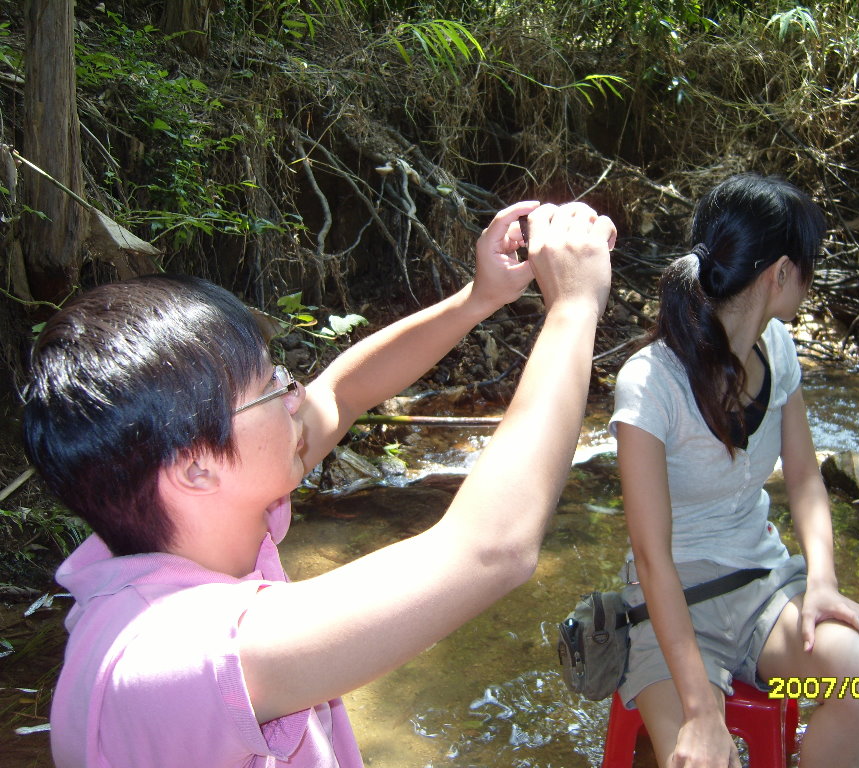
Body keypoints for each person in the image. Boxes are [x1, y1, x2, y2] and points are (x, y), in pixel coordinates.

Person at [22, 200, 615, 768]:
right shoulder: (176, 656)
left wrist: (479, 297)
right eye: (271, 387)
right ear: (196, 469)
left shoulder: (188, 527)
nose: (295, 391)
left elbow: (342, 392)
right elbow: (490, 551)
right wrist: (574, 307)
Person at [610, 174, 859, 768]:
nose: (811, 281)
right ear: (782, 272)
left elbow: (805, 479)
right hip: (672, 610)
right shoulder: (650, 382)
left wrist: (823, 583)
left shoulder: (780, 348)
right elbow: (651, 552)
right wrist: (700, 709)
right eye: (810, 266)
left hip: (763, 587)